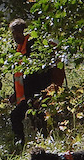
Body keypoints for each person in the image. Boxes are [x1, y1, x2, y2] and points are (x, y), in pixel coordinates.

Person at [8, 18, 64, 147]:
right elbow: (20, 74)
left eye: (17, 32)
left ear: (24, 32)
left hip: (37, 93)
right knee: (33, 119)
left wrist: (40, 95)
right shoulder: (20, 48)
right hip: (28, 95)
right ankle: (35, 146)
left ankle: (25, 146)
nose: (15, 36)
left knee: (25, 118)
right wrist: (15, 93)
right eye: (13, 33)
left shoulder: (34, 47)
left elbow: (41, 74)